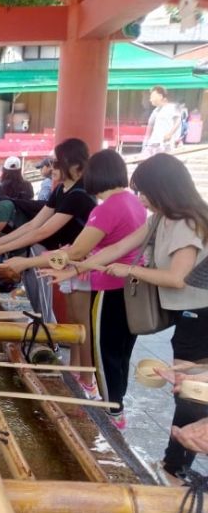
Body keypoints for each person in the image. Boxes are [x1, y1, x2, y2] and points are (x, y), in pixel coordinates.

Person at [51, 153, 208, 477]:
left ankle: (173, 469)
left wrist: (129, 270)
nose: (142, 199)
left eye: (145, 191)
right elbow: (116, 249)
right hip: (187, 313)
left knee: (190, 388)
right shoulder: (160, 219)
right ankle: (174, 464)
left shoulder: (186, 222)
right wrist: (76, 268)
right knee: (186, 383)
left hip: (201, 314)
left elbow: (177, 278)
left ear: (163, 189)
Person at [4, 149, 147, 428]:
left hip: (109, 288)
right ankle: (115, 404)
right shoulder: (133, 202)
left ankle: (111, 413)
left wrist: (29, 261)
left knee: (103, 350)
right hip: (131, 288)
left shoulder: (107, 208)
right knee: (120, 351)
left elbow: (77, 251)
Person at [0, 139, 97, 380]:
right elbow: (34, 224)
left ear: (73, 165)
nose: (51, 167)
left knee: (82, 322)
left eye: (56, 162)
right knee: (74, 320)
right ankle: (76, 370)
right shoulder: (61, 190)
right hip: (63, 261)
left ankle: (86, 378)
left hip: (80, 261)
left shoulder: (80, 194)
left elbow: (43, 232)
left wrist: (0, 248)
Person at [142, 86, 181, 156]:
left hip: (165, 144)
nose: (150, 100)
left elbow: (178, 121)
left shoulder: (171, 107)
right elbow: (150, 127)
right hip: (152, 143)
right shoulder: (155, 111)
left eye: (152, 96)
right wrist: (146, 142)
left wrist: (170, 134)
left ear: (160, 96)